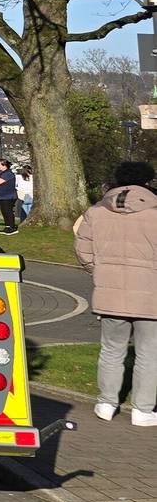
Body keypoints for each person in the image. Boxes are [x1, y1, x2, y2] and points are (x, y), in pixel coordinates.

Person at [73, 160, 157, 427]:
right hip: (150, 294)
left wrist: (98, 271)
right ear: (148, 182)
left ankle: (106, 403)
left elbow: (82, 249)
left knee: (111, 350)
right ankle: (143, 409)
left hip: (108, 293)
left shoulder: (96, 211)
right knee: (149, 354)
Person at [0, 156, 21, 234]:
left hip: (8, 196)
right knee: (4, 212)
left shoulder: (8, 173)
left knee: (8, 211)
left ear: (4, 165)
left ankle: (12, 227)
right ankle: (7, 226)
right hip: (2, 196)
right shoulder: (0, 173)